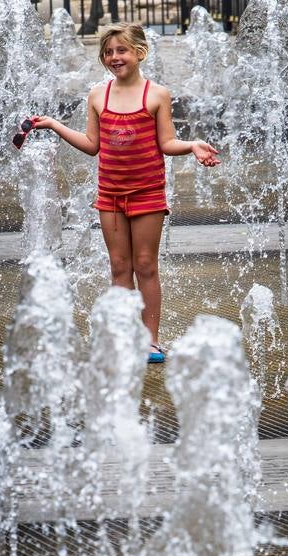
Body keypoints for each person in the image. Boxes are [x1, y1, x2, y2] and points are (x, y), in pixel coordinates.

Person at [32, 23, 220, 363]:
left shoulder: (156, 94)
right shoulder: (98, 95)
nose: (114, 57)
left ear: (138, 53)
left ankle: (150, 341)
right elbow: (92, 146)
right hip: (110, 195)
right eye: (108, 52)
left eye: (121, 50)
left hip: (147, 193)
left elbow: (166, 143)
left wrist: (192, 145)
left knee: (145, 264)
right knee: (119, 266)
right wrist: (55, 126)